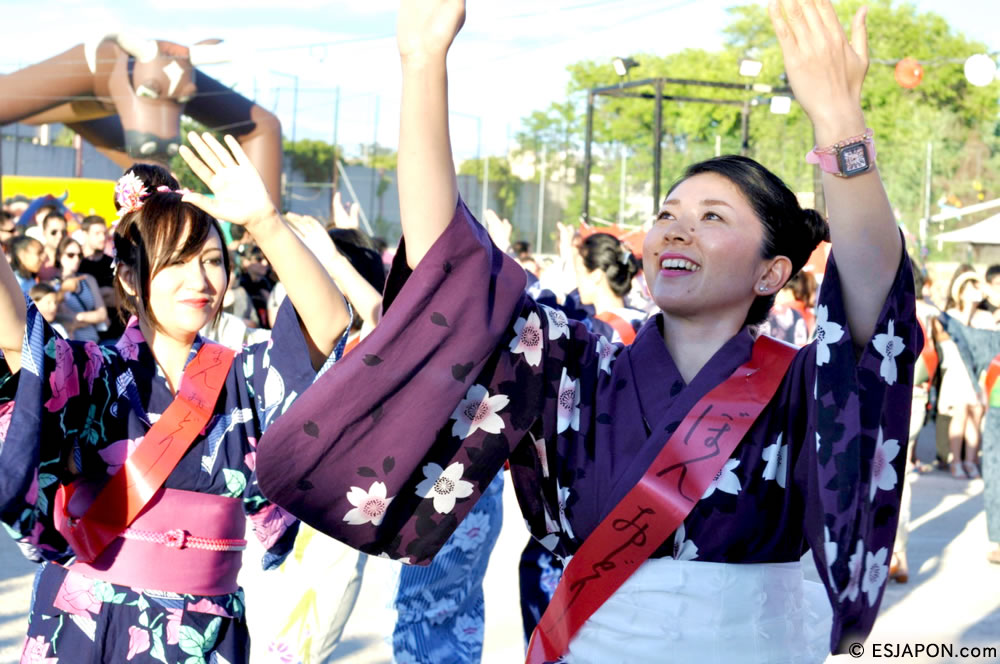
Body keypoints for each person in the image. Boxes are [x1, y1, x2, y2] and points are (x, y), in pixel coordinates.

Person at [256, 2, 919, 663]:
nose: (676, 229)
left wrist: (838, 117)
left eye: (713, 216)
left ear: (773, 273)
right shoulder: (576, 362)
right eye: (667, 213)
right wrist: (422, 63)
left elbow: (872, 288)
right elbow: (449, 275)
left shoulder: (801, 386)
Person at [0, 133, 350, 663]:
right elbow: (13, 337)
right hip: (88, 620)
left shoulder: (245, 376)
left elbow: (330, 322)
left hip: (204, 631)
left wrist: (265, 222)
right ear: (129, 276)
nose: (199, 279)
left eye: (211, 260)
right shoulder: (93, 373)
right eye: (178, 261)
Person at [936, 266, 989, 478]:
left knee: (975, 417)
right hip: (957, 371)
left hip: (978, 373)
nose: (973, 293)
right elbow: (956, 338)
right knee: (959, 414)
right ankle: (956, 461)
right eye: (969, 289)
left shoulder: (986, 317)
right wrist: (967, 309)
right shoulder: (950, 315)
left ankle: (970, 460)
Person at [53, 236, 109, 343]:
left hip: (95, 343)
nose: (76, 259)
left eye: (79, 255)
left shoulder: (88, 279)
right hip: (73, 346)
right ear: (60, 256)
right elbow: (59, 317)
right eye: (70, 255)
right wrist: (92, 317)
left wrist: (78, 317)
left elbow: (102, 314)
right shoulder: (53, 285)